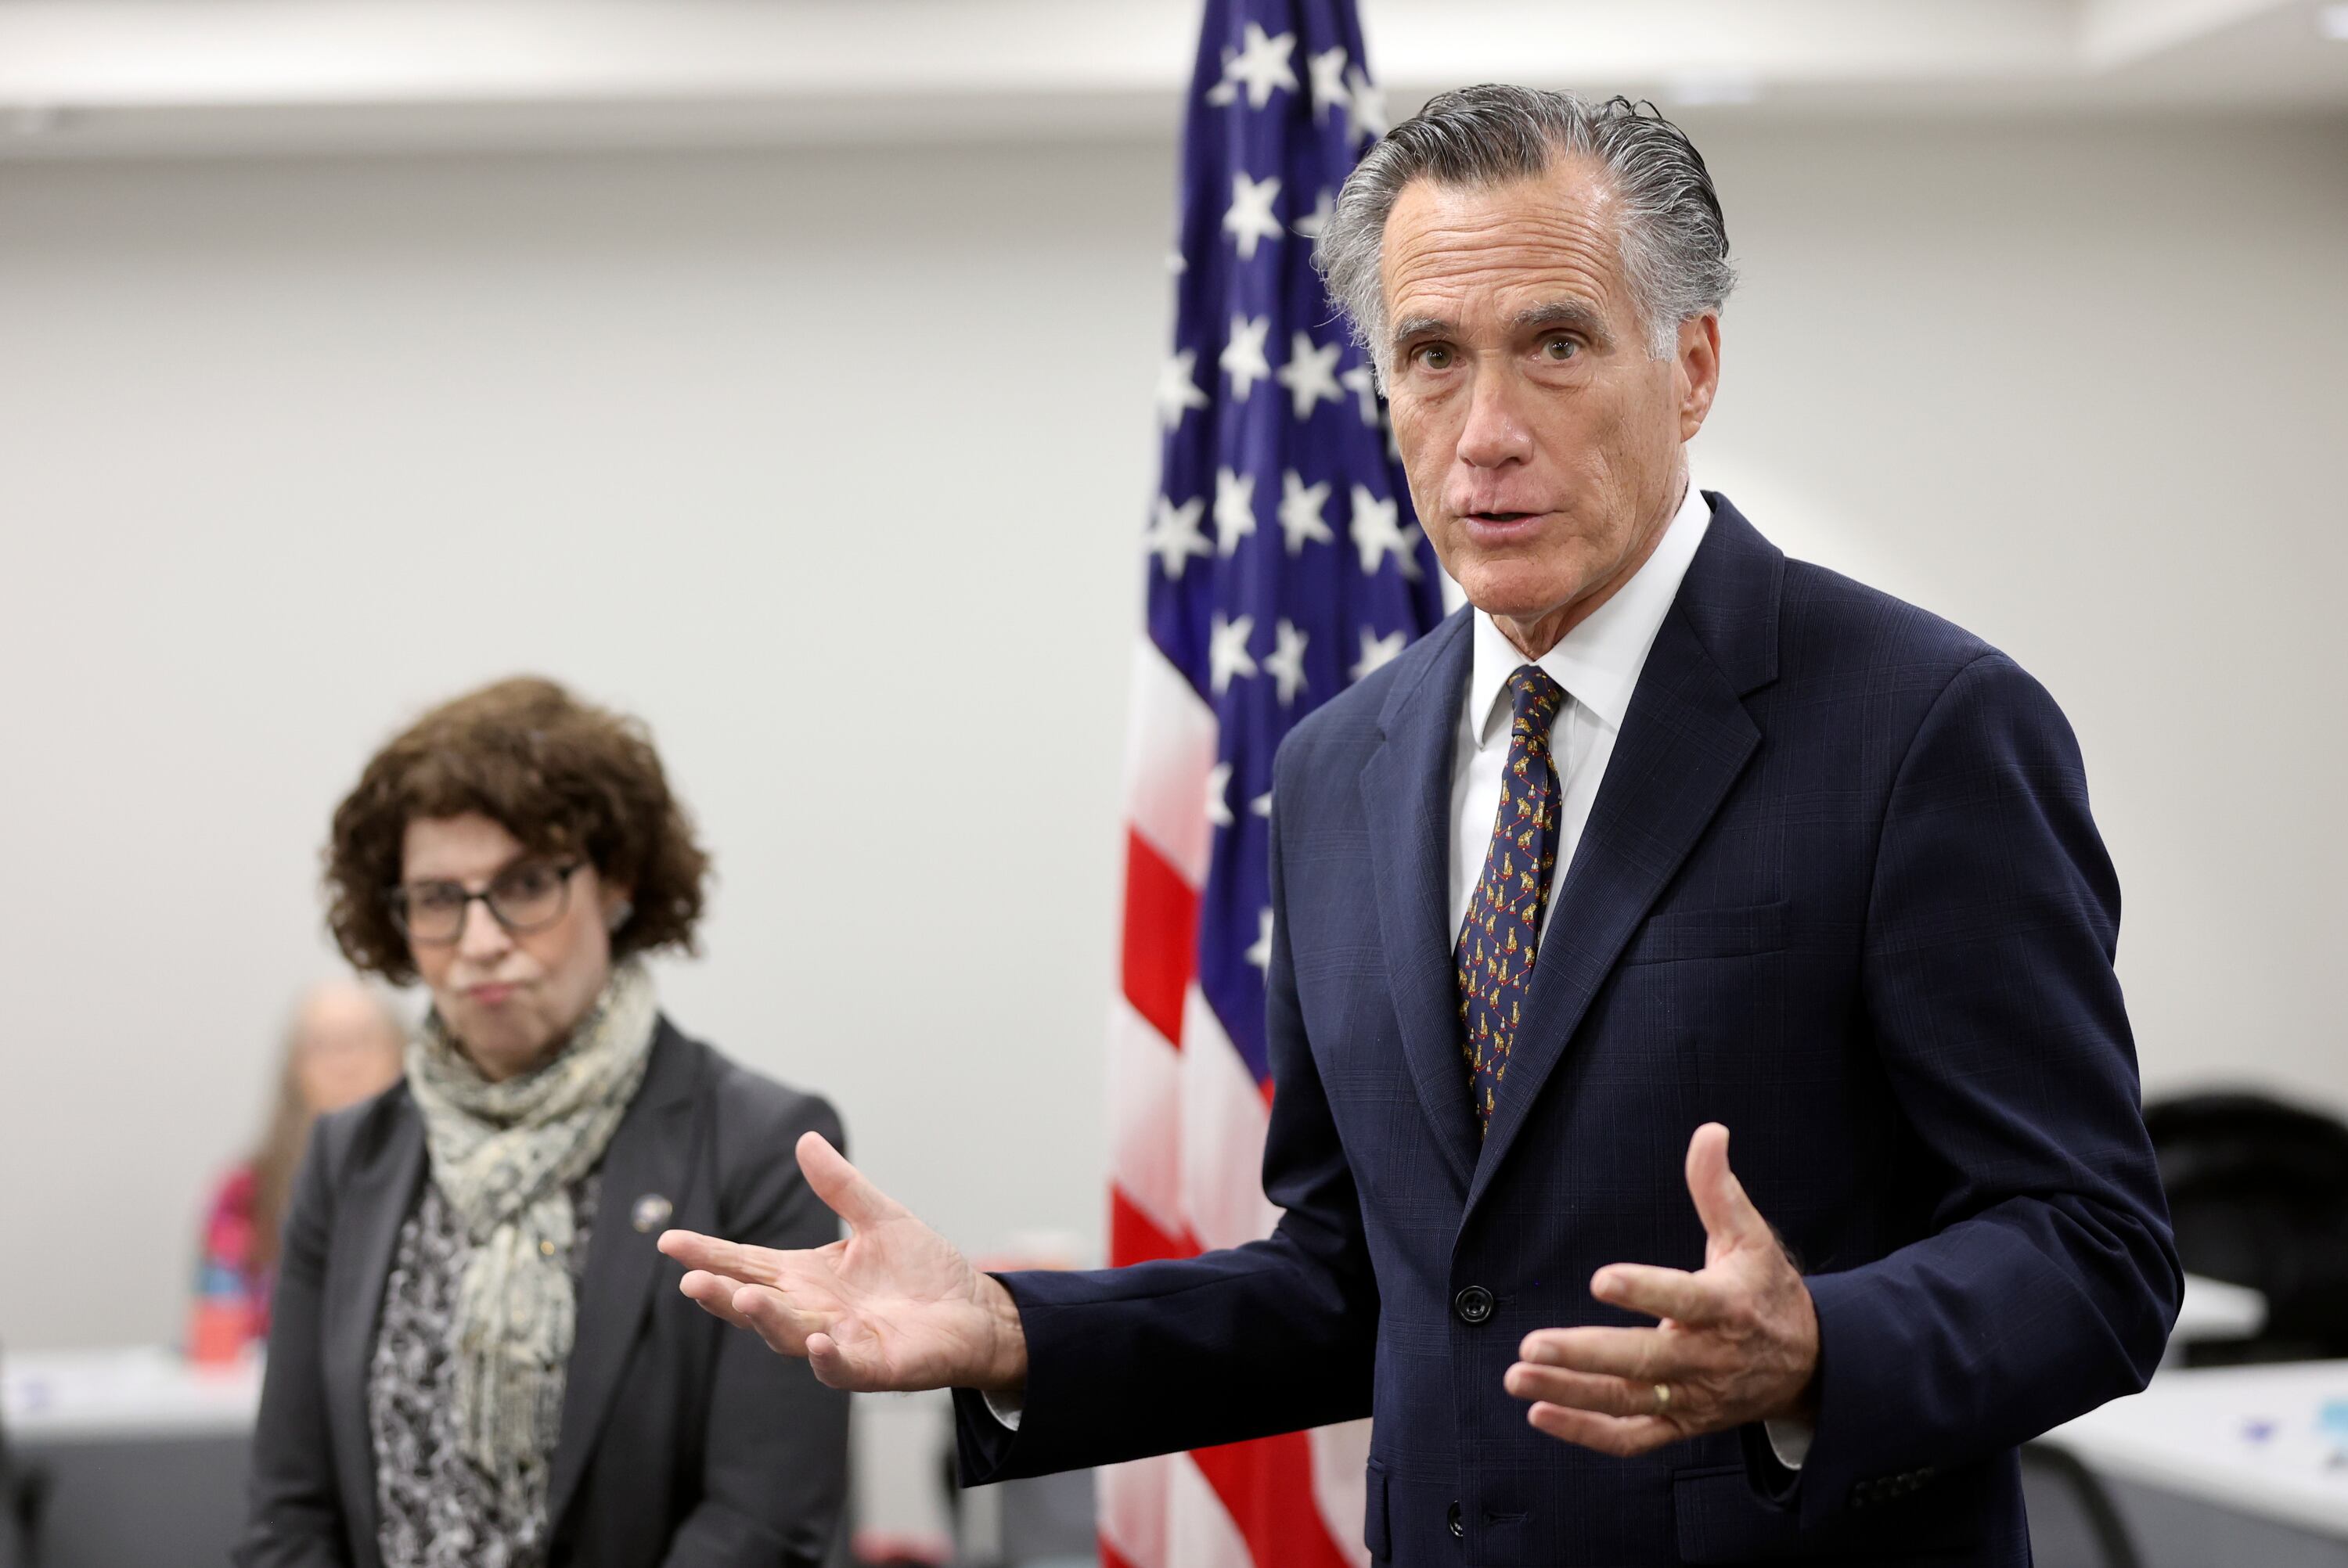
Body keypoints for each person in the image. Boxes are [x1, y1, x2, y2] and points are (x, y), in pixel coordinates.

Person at [661, 88, 2181, 1566]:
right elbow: (1356, 1281)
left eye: (1558, 346)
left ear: (1694, 365)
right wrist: (1011, 1331)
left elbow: (2094, 1247)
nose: (1486, 431)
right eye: (1433, 356)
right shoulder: (1340, 767)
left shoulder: (1924, 723)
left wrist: (1817, 1351)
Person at [238, 677, 848, 1568]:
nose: (481, 940)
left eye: (524, 885)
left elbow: (763, 1522)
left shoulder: (758, 1145)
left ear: (615, 884)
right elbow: (288, 1514)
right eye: (439, 898)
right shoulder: (349, 1155)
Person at [190, 981, 407, 1361]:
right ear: (294, 1068)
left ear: (402, 1054)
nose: (345, 1064)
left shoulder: (438, 1182)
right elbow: (218, 1333)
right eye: (323, 1046)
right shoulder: (245, 1196)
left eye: (361, 1041)